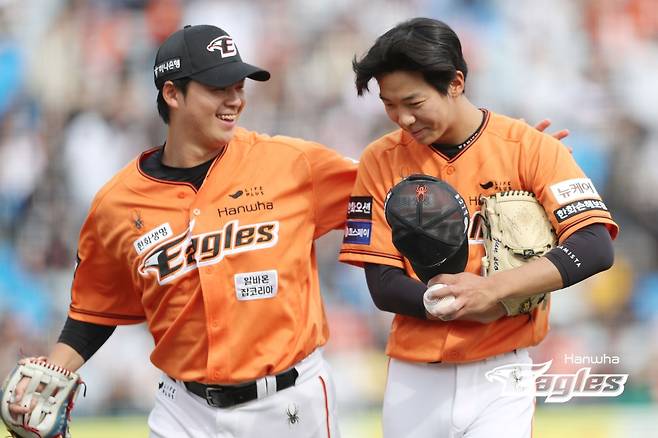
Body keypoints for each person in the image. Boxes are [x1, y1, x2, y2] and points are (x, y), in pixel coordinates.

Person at [7, 24, 356, 437]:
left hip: (290, 403)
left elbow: (385, 191)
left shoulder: (292, 163)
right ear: (172, 94)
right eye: (218, 88)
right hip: (185, 412)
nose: (235, 100)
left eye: (239, 86)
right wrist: (52, 371)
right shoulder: (118, 203)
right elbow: (94, 311)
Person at [339, 18, 618, 438]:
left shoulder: (530, 147)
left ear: (455, 82)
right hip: (415, 376)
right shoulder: (380, 160)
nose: (403, 118)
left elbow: (595, 246)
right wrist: (450, 303)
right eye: (389, 104)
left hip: (503, 370)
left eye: (413, 102)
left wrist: (493, 292)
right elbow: (382, 284)